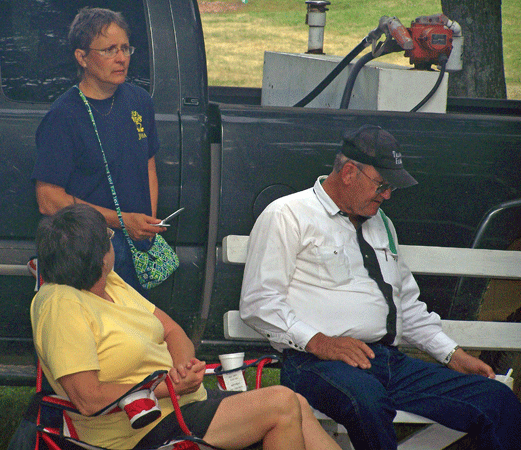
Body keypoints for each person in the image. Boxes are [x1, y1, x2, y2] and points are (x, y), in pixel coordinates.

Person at [240, 124, 521, 450]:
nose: (387, 195)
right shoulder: (288, 214)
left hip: (388, 362)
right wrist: (321, 342)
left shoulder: (381, 223)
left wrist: (452, 354)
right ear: (348, 173)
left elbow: (405, 304)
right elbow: (259, 302)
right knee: (369, 402)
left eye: (392, 188)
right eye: (382, 184)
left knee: (495, 398)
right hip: (316, 364)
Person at [29, 203, 340, 450]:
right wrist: (170, 387)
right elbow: (88, 397)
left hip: (182, 403)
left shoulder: (107, 280)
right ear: (97, 257)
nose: (114, 242)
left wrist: (183, 368)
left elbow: (171, 330)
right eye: (109, 237)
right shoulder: (62, 305)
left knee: (295, 403)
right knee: (281, 404)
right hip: (135, 428)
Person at [32, 7, 164, 297]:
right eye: (108, 50)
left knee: (137, 330)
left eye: (125, 48)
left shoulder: (140, 100)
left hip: (137, 240)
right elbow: (47, 199)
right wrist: (122, 221)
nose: (121, 58)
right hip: (90, 253)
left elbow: (149, 165)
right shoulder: (64, 116)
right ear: (82, 57)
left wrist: (147, 221)